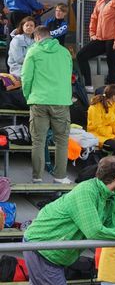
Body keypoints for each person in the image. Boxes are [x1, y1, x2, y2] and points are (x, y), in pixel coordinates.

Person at [23, 156, 115, 285]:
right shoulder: (86, 191)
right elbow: (95, 231)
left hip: (50, 253)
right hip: (42, 249)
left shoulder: (110, 195)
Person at [21, 25, 72, 183]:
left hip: (39, 101)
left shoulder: (33, 51)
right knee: (62, 140)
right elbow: (69, 75)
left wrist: (28, 96)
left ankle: (37, 178)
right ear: (50, 36)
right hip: (61, 102)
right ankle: (60, 176)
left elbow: (26, 78)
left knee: (38, 141)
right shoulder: (65, 52)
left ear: (36, 37)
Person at [76, 0, 115, 91]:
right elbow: (94, 17)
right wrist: (92, 33)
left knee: (112, 66)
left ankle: (112, 93)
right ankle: (88, 85)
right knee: (81, 55)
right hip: (100, 38)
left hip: (114, 38)